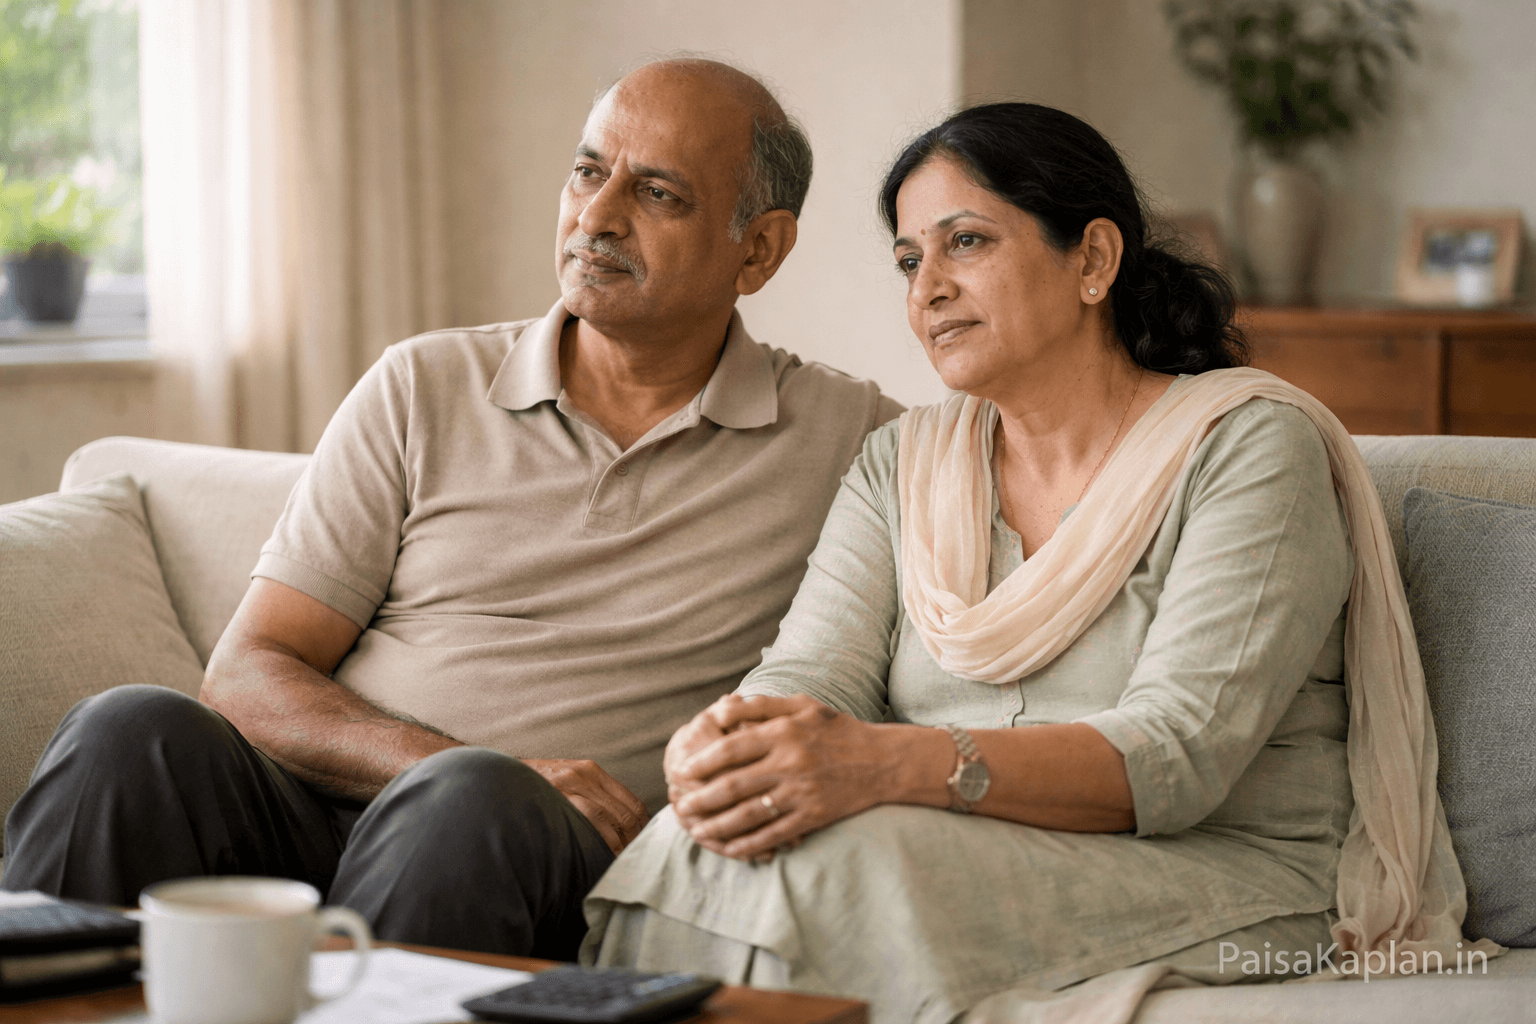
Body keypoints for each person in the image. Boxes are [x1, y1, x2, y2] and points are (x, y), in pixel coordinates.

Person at [583, 103, 1485, 1022]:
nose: (926, 289)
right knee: (707, 837)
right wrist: (739, 741)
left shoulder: (1248, 447)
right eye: (908, 260)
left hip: (1226, 863)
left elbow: (1179, 753)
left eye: (964, 242)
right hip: (952, 839)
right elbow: (815, 674)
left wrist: (883, 766)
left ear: (1093, 260)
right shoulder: (901, 461)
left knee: (844, 862)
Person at [0, 58, 901, 961]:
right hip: (322, 812)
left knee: (473, 800)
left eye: (658, 192)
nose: (596, 215)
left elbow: (1020, 469)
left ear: (760, 249)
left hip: (531, 853)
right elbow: (248, 672)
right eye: (589, 171)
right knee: (127, 732)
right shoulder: (423, 384)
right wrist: (434, 762)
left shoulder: (847, 437)